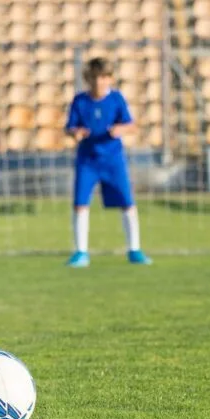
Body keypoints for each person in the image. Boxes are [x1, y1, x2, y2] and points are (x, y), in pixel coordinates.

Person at [64, 58, 152, 267]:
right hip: (88, 161)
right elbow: (69, 127)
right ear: (88, 79)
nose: (99, 82)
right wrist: (75, 133)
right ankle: (81, 252)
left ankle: (134, 249)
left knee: (127, 203)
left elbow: (131, 125)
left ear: (110, 79)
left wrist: (121, 129)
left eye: (103, 77)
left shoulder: (116, 99)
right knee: (80, 204)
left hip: (113, 160)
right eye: (95, 78)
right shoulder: (80, 101)